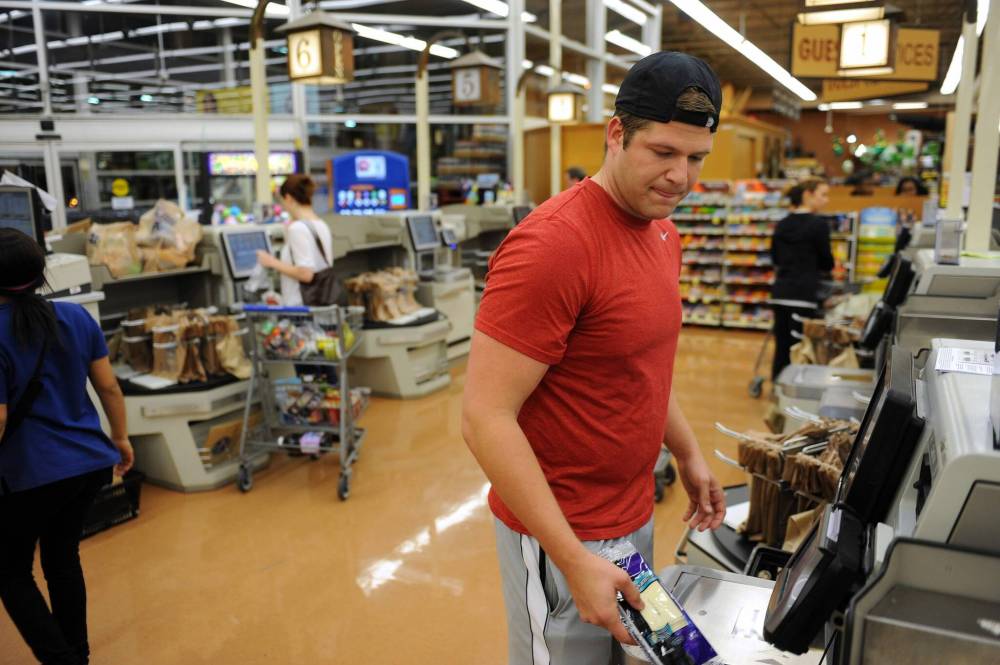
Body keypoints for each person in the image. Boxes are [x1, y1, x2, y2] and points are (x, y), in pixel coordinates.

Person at [462, 52, 726, 665]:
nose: (680, 177)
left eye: (695, 159)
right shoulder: (553, 246)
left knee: (641, 658)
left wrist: (686, 452)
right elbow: (484, 417)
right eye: (663, 153)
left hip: (632, 518)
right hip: (559, 532)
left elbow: (639, 368)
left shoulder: (663, 233)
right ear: (616, 134)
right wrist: (573, 558)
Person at [0, 229, 133, 665]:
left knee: (11, 570)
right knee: (61, 556)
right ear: (41, 273)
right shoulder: (76, 318)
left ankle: (62, 659)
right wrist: (120, 438)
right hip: (89, 464)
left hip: (30, 473)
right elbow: (109, 388)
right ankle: (78, 652)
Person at [770, 177, 835, 381]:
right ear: (807, 195)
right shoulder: (818, 225)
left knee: (782, 344)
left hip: (781, 293)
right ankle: (796, 386)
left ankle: (777, 384)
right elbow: (827, 262)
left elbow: (775, 258)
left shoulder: (782, 223)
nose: (826, 200)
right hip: (804, 294)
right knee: (802, 346)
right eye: (823, 195)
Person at [255, 174, 334, 308]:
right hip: (320, 304)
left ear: (289, 198)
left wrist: (271, 262)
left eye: (283, 201)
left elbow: (306, 274)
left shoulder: (298, 229)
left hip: (301, 306)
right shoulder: (320, 224)